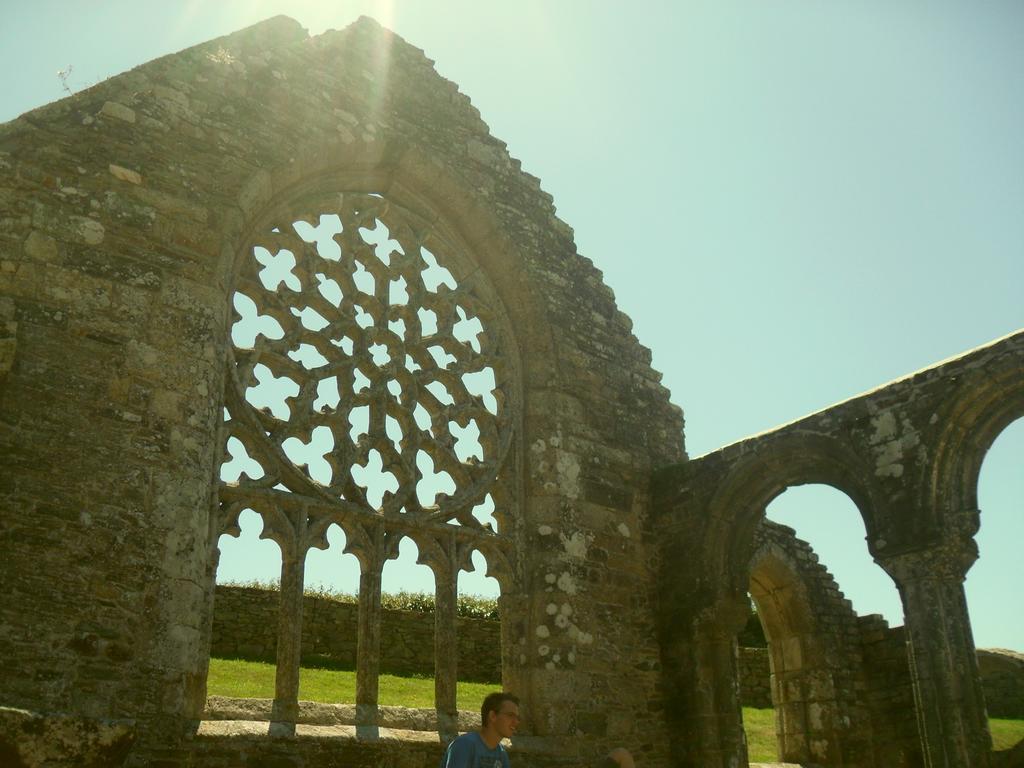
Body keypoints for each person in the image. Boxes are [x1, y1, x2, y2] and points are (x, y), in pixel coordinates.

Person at [441, 691, 520, 768]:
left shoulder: (502, 754)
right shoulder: (464, 745)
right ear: (492, 716)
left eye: (517, 718)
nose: (516, 722)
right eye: (510, 715)